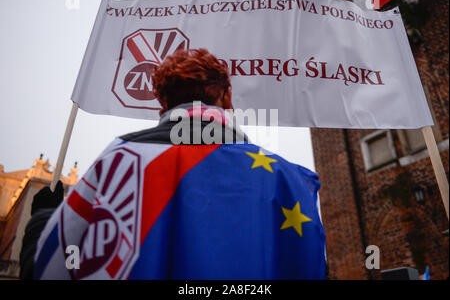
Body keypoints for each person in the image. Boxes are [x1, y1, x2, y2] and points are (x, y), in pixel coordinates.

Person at [21, 48, 326, 280]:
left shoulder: (119, 159)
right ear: (227, 97)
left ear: (162, 104)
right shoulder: (290, 179)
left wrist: (41, 220)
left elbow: (49, 267)